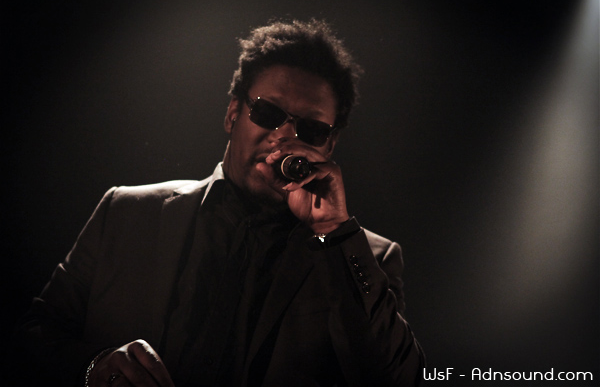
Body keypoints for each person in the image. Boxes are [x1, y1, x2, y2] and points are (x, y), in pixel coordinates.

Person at [17, 19, 424, 387]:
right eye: (268, 113)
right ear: (232, 114)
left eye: (311, 129)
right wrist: (93, 368)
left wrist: (334, 233)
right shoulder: (127, 211)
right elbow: (34, 337)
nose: (285, 136)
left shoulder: (364, 256)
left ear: (329, 145)